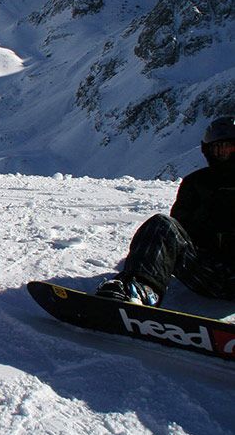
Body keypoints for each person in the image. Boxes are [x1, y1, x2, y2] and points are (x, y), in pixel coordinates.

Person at [96, 115, 235, 307]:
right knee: (161, 224)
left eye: (231, 147)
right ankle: (140, 289)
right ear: (208, 151)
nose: (226, 153)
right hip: (208, 270)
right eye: (219, 148)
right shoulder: (196, 183)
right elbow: (177, 232)